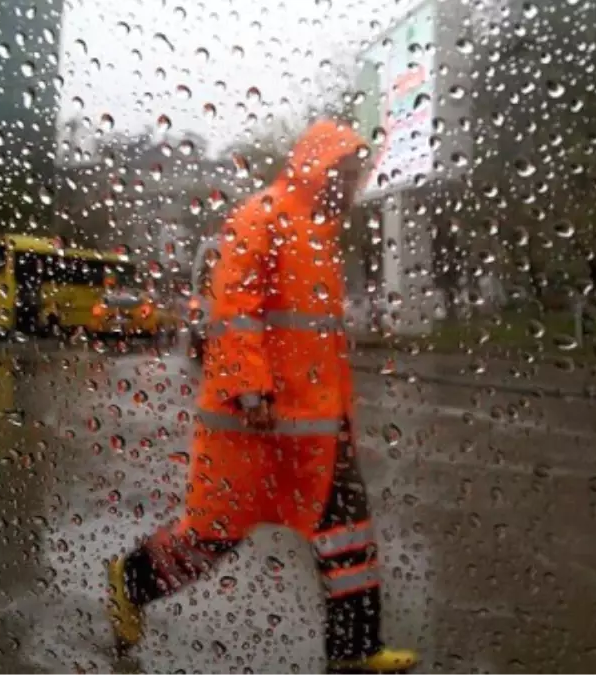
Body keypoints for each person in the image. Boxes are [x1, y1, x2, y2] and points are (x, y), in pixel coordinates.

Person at [106, 118, 418, 672]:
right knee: (214, 536)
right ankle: (133, 581)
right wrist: (250, 389)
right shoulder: (262, 216)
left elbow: (315, 341)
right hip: (255, 424)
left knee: (348, 532)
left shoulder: (320, 236)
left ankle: (356, 650)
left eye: (354, 175)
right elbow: (235, 308)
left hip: (317, 427)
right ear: (314, 167)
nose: (349, 187)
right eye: (342, 174)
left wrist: (341, 416)